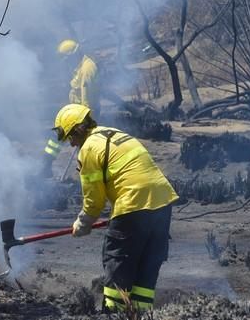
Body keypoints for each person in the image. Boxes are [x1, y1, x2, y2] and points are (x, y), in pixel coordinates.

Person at [52, 103, 178, 311]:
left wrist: (83, 223)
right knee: (146, 266)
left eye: (69, 137)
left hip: (132, 203)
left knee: (117, 260)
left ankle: (113, 313)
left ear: (77, 129)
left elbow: (94, 201)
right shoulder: (115, 134)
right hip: (162, 202)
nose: (71, 144)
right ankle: (141, 313)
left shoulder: (90, 148)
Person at [41, 39, 100, 178]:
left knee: (85, 149)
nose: (65, 62)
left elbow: (87, 96)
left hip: (82, 117)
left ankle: (89, 179)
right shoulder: (79, 67)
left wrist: (84, 123)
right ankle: (46, 165)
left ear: (72, 55)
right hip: (75, 115)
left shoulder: (87, 69)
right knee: (57, 136)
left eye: (65, 59)